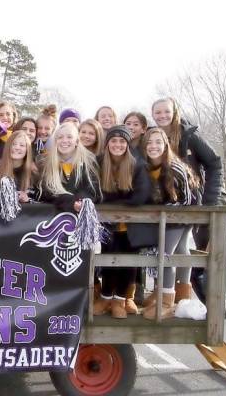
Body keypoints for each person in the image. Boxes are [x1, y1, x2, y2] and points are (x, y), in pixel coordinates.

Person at [151, 97, 223, 303]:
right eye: (158, 112)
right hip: (166, 198)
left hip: (188, 198)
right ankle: (180, 296)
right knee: (181, 245)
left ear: (175, 112)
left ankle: (166, 297)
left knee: (166, 249)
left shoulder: (189, 136)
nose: (162, 116)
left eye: (166, 111)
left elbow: (215, 163)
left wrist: (210, 199)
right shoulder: (153, 136)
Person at [139, 128, 200, 319]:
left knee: (166, 254)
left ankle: (168, 299)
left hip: (180, 215)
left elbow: (188, 199)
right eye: (149, 142)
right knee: (175, 249)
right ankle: (170, 294)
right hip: (163, 216)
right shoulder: (146, 167)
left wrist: (169, 212)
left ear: (165, 144)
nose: (153, 146)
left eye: (158, 142)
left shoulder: (175, 167)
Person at [92, 126, 150, 319]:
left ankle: (119, 300)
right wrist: (111, 203)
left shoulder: (137, 164)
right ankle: (105, 297)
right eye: (114, 141)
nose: (117, 145)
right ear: (107, 143)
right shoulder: (99, 162)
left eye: (122, 141)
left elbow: (140, 196)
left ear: (127, 144)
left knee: (128, 262)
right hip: (107, 223)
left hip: (131, 224)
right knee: (108, 260)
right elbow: (96, 193)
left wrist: (114, 203)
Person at [36, 122, 101, 212]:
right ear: (55, 141)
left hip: (81, 214)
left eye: (69, 137)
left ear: (77, 142)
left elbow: (92, 190)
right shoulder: (44, 161)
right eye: (60, 137)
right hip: (53, 217)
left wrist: (81, 201)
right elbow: (44, 191)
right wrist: (70, 202)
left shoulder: (89, 160)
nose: (64, 140)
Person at [0, 130, 34, 204]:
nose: (17, 147)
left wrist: (27, 200)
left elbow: (40, 203)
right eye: (13, 144)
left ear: (27, 150)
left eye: (22, 145)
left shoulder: (33, 174)